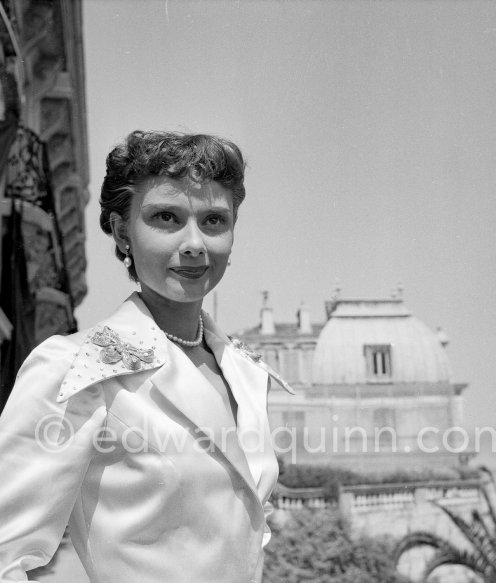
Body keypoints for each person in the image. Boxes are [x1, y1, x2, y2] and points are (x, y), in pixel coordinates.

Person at [0, 130, 292, 583]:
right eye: (166, 218)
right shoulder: (74, 368)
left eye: (214, 221)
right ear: (122, 231)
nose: (194, 243)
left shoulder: (245, 371)